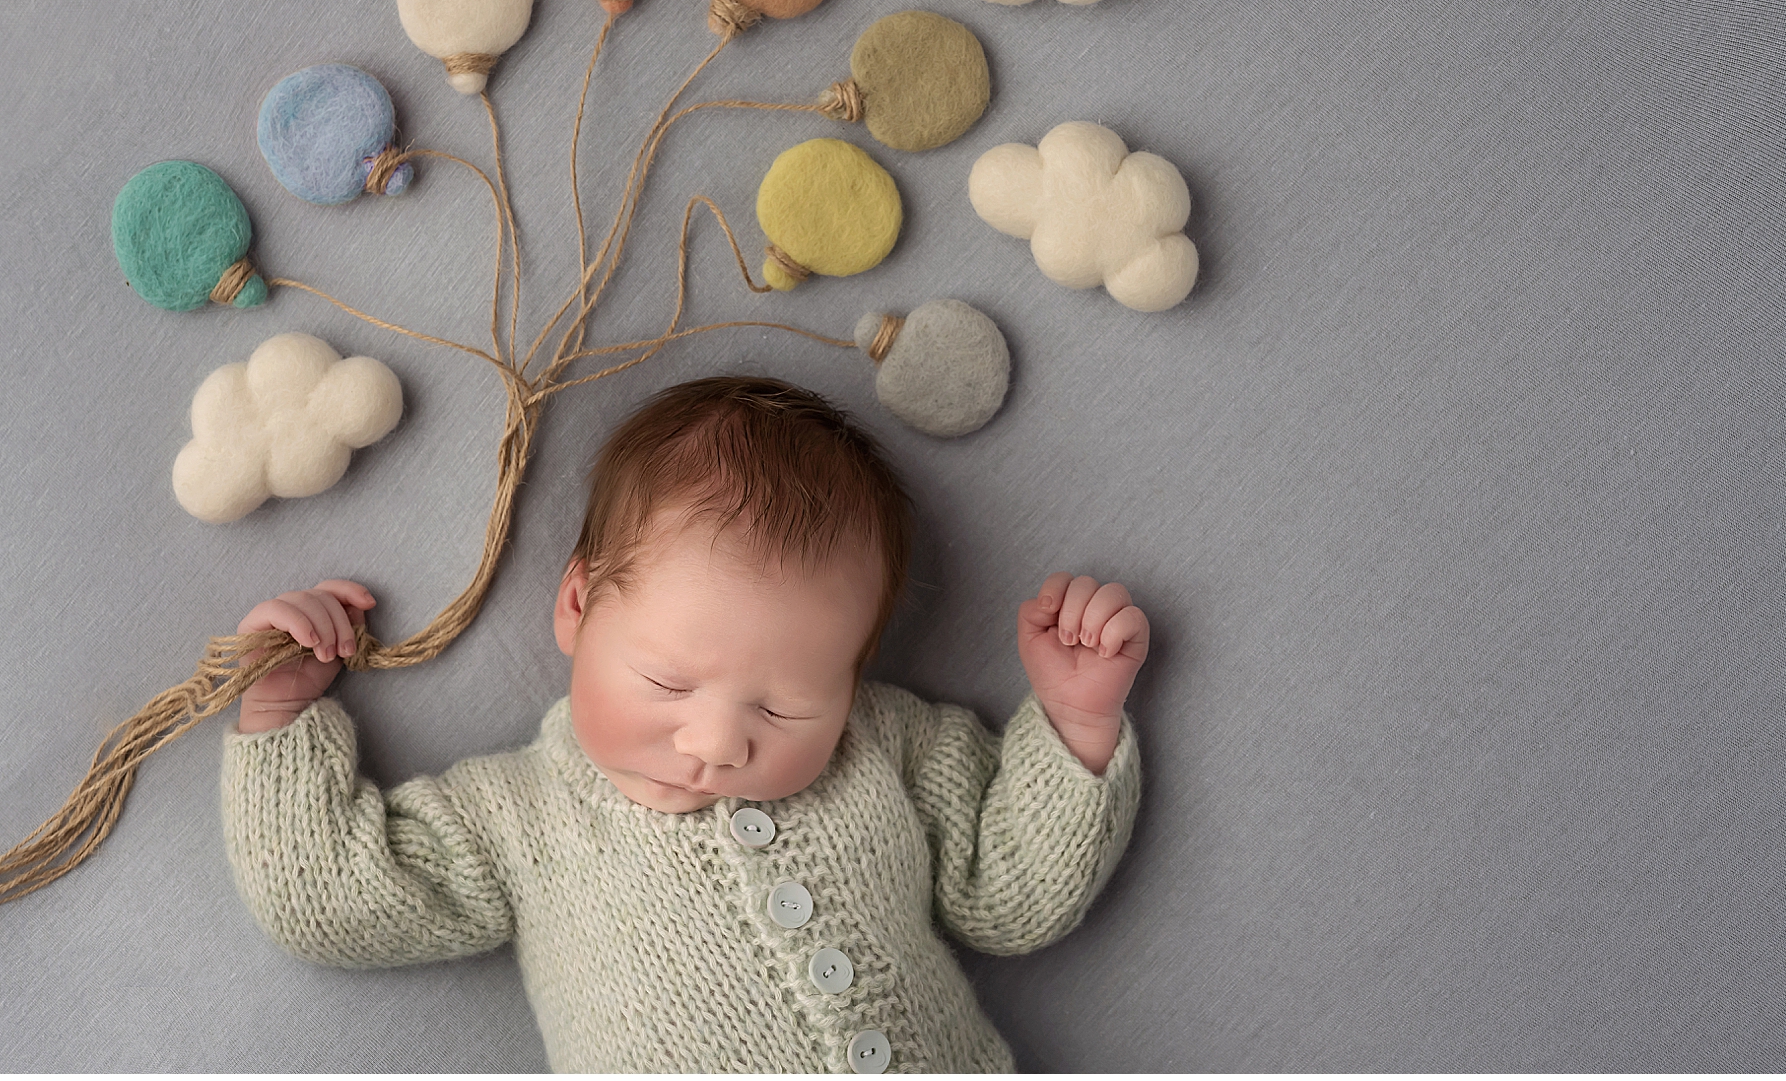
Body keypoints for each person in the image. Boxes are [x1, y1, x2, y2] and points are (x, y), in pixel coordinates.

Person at [222, 375, 1149, 1073]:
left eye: (784, 705)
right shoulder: (517, 819)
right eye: (668, 680)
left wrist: (1072, 723)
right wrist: (279, 713)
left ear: (854, 675)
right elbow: (326, 903)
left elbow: (1013, 901)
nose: (716, 744)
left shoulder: (892, 747)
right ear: (579, 605)